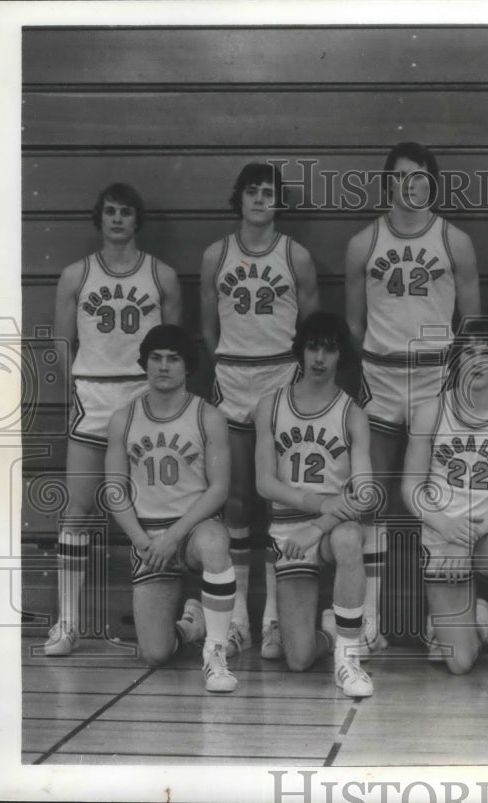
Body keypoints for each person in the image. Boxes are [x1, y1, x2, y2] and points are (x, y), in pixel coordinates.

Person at [344, 142, 481, 653]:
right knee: (372, 500)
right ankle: (370, 620)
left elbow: (469, 324)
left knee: (439, 498)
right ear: (389, 184)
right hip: (380, 377)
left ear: (432, 184)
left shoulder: (455, 241)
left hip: (434, 379)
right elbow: (354, 322)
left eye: (420, 178)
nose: (411, 186)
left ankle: (435, 620)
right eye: (401, 177)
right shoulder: (363, 243)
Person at [44, 182, 182, 655]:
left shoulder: (161, 276)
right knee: (78, 510)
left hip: (145, 398)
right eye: (110, 212)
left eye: (125, 212)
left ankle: (162, 617)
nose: (118, 219)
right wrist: (82, 388)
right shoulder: (75, 276)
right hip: (95, 396)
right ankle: (67, 622)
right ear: (98, 219)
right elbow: (63, 348)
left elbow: (175, 347)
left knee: (157, 510)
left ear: (136, 219)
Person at [200, 162, 321, 660]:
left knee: (278, 503)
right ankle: (238, 624)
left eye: (269, 193)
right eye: (252, 192)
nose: (260, 200)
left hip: (279, 377)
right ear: (239, 199)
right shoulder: (216, 255)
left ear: (279, 202)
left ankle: (272, 618)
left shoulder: (296, 255)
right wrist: (230, 363)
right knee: (236, 500)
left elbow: (311, 330)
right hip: (233, 375)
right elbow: (209, 327)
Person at [400, 317, 488, 704]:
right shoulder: (431, 412)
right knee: (459, 663)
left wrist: (473, 534)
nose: (477, 362)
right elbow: (410, 487)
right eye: (468, 353)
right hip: (443, 539)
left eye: (486, 353)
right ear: (456, 362)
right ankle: (485, 623)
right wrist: (443, 524)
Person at [103, 325, 237, 692]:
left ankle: (216, 653)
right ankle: (190, 626)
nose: (163, 366)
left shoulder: (207, 416)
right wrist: (143, 542)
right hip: (147, 537)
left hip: (192, 529)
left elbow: (219, 489)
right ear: (144, 363)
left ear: (187, 367)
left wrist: (173, 537)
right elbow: (115, 490)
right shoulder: (123, 419)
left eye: (173, 359)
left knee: (214, 543)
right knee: (156, 654)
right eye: (156, 358)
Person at [252, 312, 374, 697]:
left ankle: (348, 658)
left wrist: (318, 524)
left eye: (330, 349)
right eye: (313, 347)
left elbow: (364, 493)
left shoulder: (352, 413)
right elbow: (265, 483)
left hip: (332, 527)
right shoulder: (269, 406)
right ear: (300, 351)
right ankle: (331, 631)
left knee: (348, 539)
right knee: (299, 658)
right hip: (290, 530)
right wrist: (317, 504)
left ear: (341, 357)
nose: (320, 358)